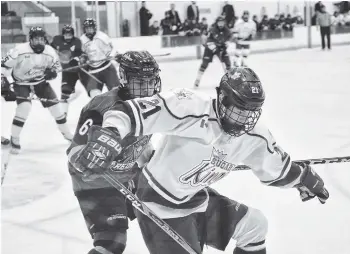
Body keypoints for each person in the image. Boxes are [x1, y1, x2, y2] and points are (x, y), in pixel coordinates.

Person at [69, 66, 329, 254]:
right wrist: (109, 137)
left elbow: (277, 168)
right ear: (222, 99)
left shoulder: (255, 136)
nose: (244, 120)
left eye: (250, 112)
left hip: (195, 199)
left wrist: (305, 179)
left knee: (255, 225)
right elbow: (130, 112)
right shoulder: (190, 107)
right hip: (157, 204)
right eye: (238, 110)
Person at [66, 51, 161, 254]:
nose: (145, 89)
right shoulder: (102, 105)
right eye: (138, 82)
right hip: (94, 180)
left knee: (169, 209)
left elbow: (141, 144)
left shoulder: (153, 105)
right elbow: (73, 151)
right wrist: (90, 162)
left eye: (150, 82)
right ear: (125, 79)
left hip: (126, 174)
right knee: (111, 241)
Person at [1, 26, 72, 153]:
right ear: (30, 40)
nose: (39, 42)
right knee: (24, 107)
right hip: (21, 83)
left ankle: (67, 134)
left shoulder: (50, 51)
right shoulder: (19, 50)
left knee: (56, 107)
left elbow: (55, 67)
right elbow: (3, 67)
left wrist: (53, 73)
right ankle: (15, 138)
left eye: (41, 39)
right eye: (36, 39)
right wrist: (4, 85)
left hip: (40, 82)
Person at [80, 18, 120, 98]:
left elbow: (112, 50)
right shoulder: (82, 39)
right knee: (94, 95)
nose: (89, 30)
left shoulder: (102, 37)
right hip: (93, 71)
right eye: (87, 28)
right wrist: (83, 59)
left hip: (107, 69)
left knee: (116, 93)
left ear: (94, 28)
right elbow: (82, 54)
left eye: (91, 28)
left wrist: (113, 56)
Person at [50, 24, 83, 116]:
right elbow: (49, 48)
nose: (68, 36)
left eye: (70, 34)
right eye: (66, 34)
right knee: (65, 90)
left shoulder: (77, 41)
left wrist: (76, 58)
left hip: (81, 70)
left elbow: (79, 53)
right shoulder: (57, 40)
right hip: (68, 71)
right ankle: (64, 113)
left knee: (93, 89)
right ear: (63, 34)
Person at [194, 16, 233, 88]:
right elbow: (206, 40)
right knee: (204, 64)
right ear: (216, 23)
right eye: (219, 22)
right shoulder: (212, 29)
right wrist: (213, 48)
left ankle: (230, 80)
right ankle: (198, 79)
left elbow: (229, 38)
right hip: (210, 48)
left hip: (220, 47)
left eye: (222, 22)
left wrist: (226, 44)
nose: (221, 24)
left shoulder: (227, 30)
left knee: (227, 62)